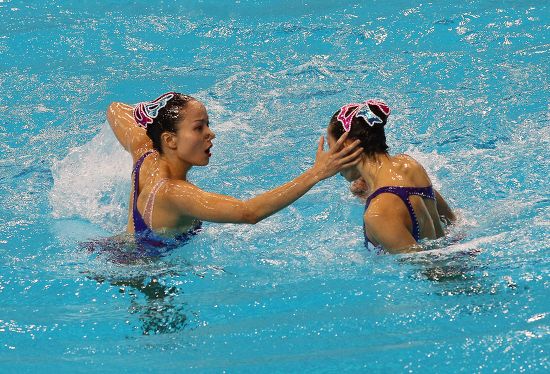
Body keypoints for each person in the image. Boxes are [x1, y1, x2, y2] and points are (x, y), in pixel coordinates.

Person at [106, 92, 363, 250]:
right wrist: (317, 173)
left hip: (121, 248)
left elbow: (116, 109)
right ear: (170, 140)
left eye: (207, 125)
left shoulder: (146, 152)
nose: (210, 134)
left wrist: (156, 114)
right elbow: (248, 213)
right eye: (198, 128)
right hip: (146, 273)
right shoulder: (175, 194)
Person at [326, 99, 456, 254]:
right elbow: (453, 224)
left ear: (347, 146)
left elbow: (430, 269)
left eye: (330, 147)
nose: (329, 157)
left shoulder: (377, 214)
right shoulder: (409, 165)